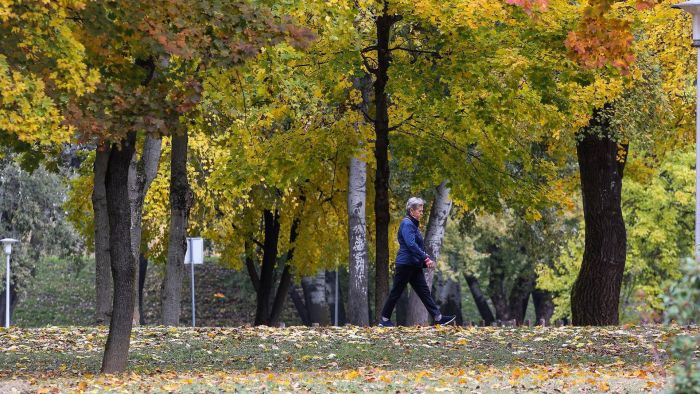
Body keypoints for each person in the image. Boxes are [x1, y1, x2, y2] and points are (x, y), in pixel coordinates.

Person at [378, 197, 456, 327]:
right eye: (419, 211)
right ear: (411, 210)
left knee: (424, 292)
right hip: (405, 265)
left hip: (413, 265)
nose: (421, 213)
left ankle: (438, 317)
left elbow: (417, 247)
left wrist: (425, 260)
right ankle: (384, 320)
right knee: (396, 292)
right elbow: (411, 245)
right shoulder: (407, 224)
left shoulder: (413, 224)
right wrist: (425, 258)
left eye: (422, 210)